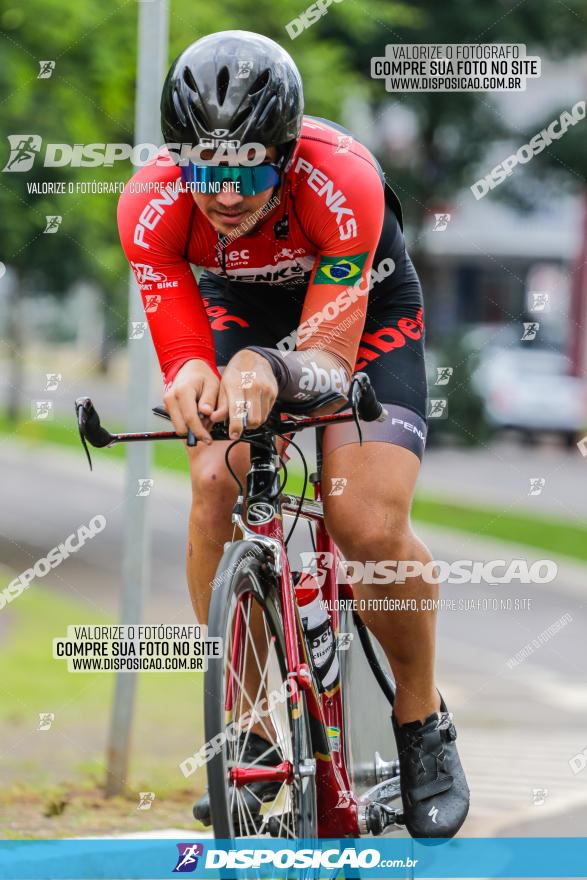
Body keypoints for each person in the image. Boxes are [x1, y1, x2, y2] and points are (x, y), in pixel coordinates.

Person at [117, 29, 469, 839]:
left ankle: (421, 722)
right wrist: (192, 377)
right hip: (240, 311)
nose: (227, 194)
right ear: (179, 160)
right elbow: (182, 352)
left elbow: (326, 363)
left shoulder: (342, 180)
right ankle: (245, 727)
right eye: (207, 171)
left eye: (248, 169)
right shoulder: (150, 203)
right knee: (213, 481)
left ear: (284, 151)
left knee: (365, 523)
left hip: (362, 317)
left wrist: (270, 371)